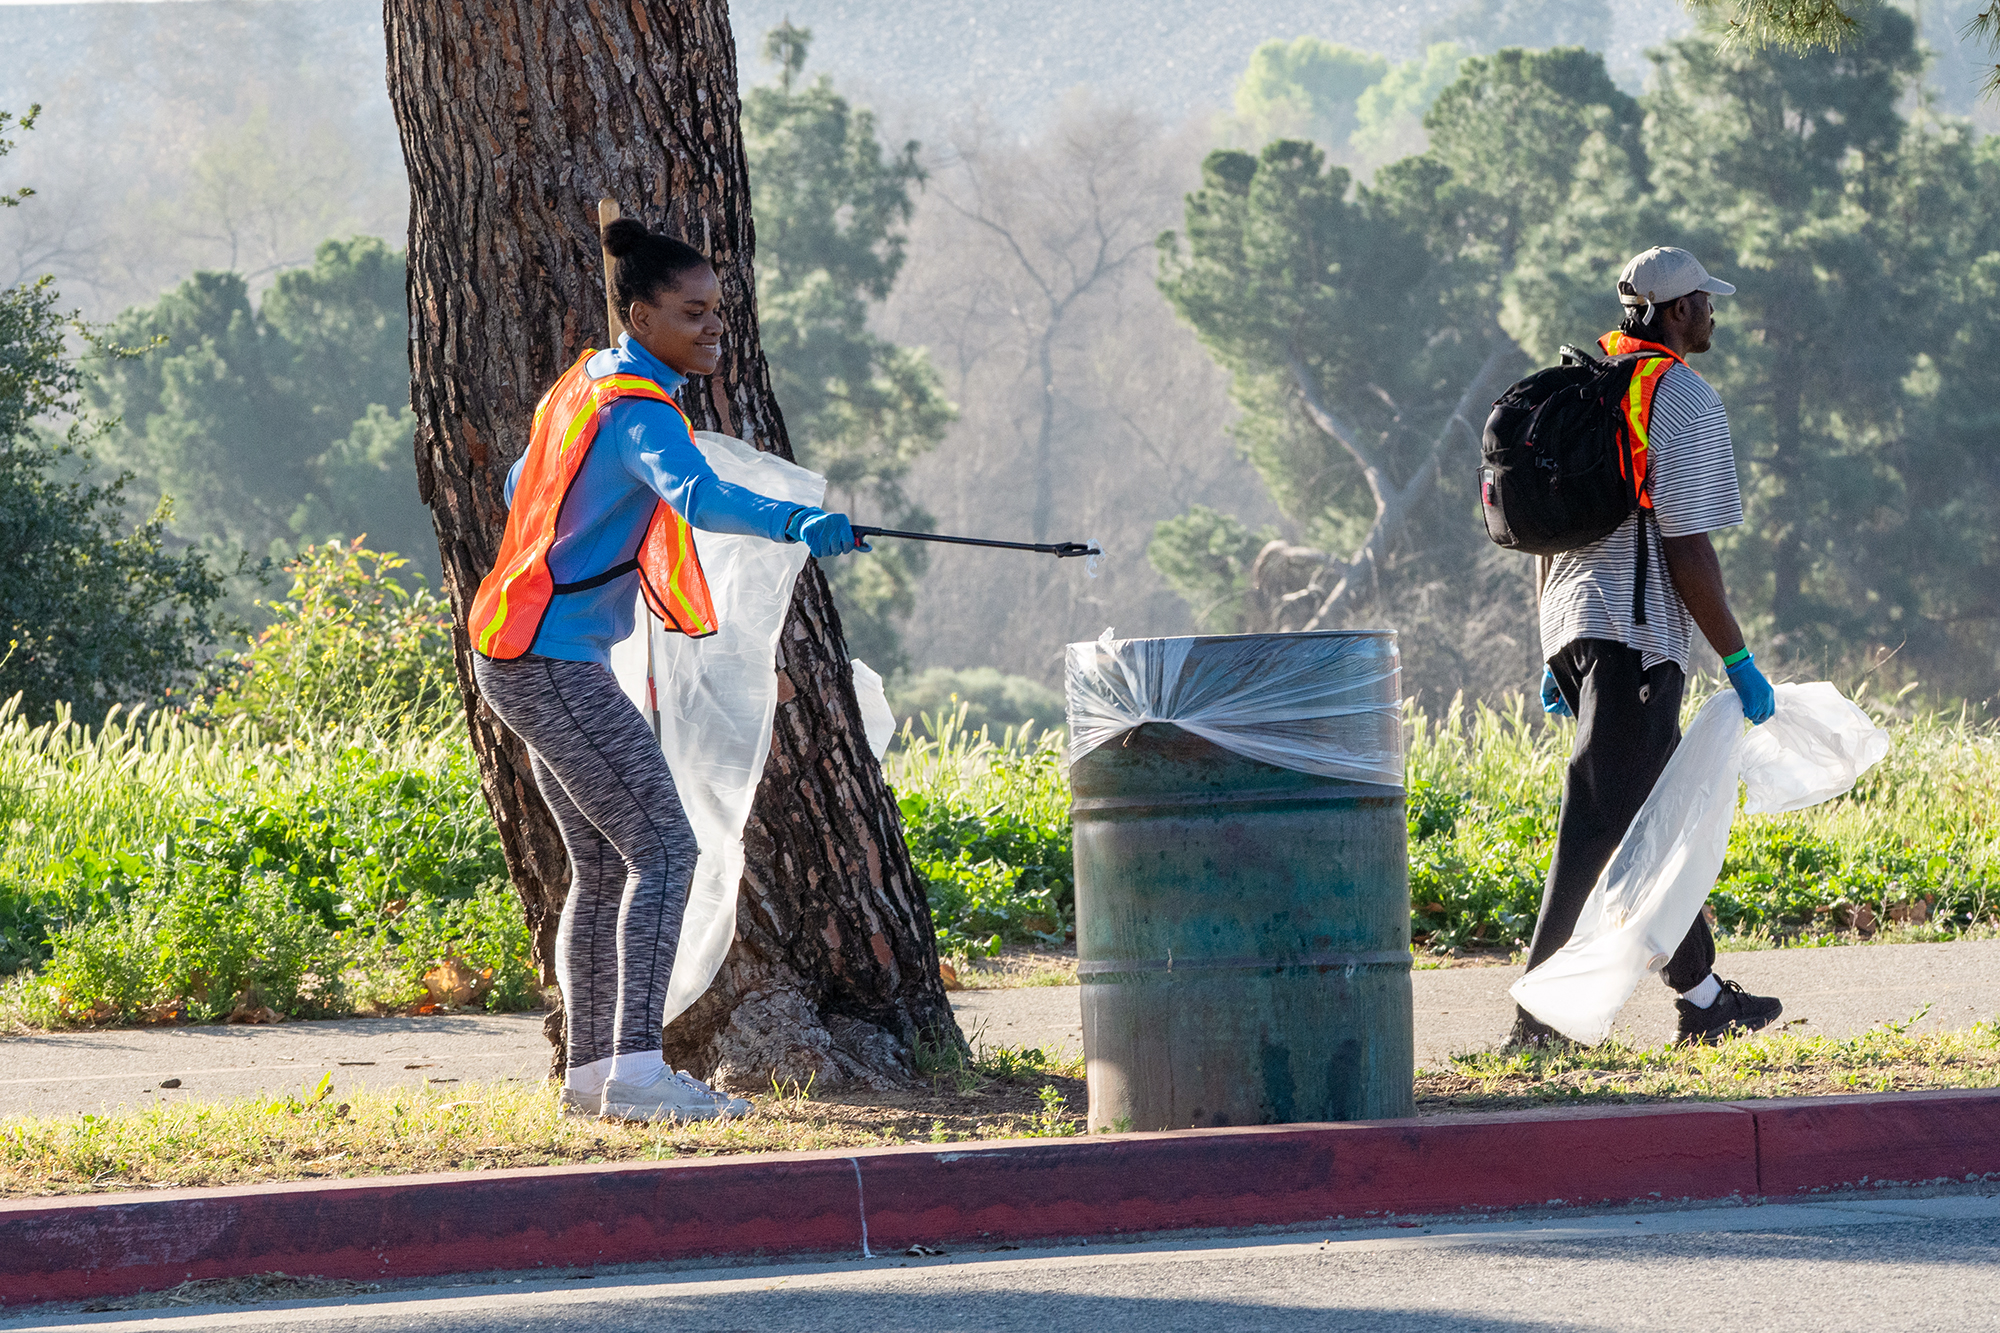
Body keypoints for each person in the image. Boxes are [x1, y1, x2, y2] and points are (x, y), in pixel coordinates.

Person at [468, 218, 868, 1121]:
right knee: (665, 849)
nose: (714, 329)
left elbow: (516, 488)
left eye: (719, 311)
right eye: (694, 314)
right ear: (642, 315)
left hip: (517, 647)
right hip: (548, 659)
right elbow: (696, 493)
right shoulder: (643, 411)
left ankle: (590, 1076)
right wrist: (799, 523)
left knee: (605, 868)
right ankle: (639, 1075)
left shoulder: (587, 383)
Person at [1516, 245, 1783, 1048]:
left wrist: (1553, 644)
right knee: (1598, 820)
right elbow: (1686, 547)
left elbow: (1546, 532)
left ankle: (1703, 997)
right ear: (1673, 313)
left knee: (1647, 819)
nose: (1712, 312)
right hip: (1633, 638)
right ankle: (1539, 1018)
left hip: (1578, 624)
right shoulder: (1683, 398)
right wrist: (1736, 656)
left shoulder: (1590, 381)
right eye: (1703, 300)